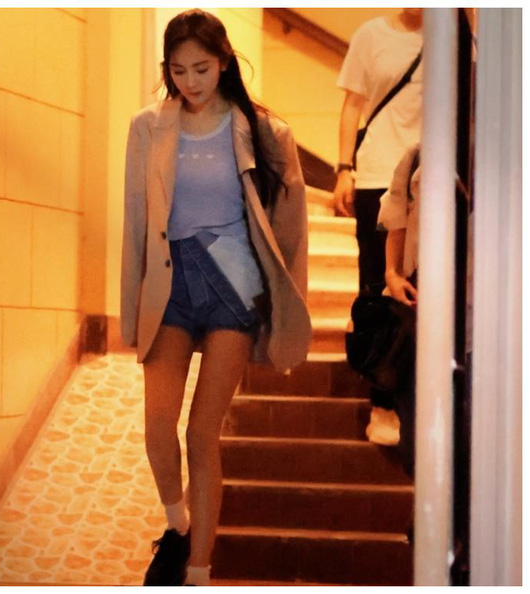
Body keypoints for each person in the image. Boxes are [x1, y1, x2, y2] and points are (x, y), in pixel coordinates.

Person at [120, 9, 311, 586]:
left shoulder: (265, 131)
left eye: (201, 68)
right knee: (158, 429)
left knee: (202, 433)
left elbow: (291, 229)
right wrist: (130, 311)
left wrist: (284, 310)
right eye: (178, 71)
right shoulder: (147, 126)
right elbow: (136, 223)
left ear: (225, 61)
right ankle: (179, 526)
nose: (190, 82)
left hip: (234, 282)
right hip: (170, 282)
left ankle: (198, 571)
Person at [334, 9, 423, 446]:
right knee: (375, 287)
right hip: (375, 173)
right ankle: (382, 403)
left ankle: (414, 395)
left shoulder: (457, 39)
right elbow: (352, 105)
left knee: (421, 287)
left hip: (425, 176)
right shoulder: (371, 35)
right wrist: (343, 168)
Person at [378, 142, 421, 479]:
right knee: (415, 440)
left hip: (483, 308)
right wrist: (392, 274)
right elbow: (397, 220)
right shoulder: (417, 155)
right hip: (418, 302)